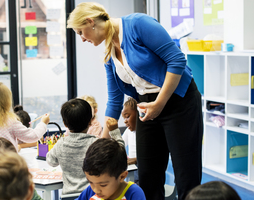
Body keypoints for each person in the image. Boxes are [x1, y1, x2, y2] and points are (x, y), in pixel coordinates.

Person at [67, 2, 203, 199]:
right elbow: (114, 100)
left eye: (81, 32)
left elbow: (177, 60)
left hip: (178, 101)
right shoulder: (108, 53)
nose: (81, 39)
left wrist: (160, 104)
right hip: (147, 107)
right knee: (147, 176)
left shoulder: (138, 24)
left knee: (185, 175)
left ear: (91, 21)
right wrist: (99, 144)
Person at [46, 98, 124, 195]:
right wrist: (115, 131)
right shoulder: (96, 144)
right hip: (94, 195)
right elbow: (120, 154)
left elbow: (51, 161)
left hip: (68, 196)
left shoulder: (60, 144)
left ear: (65, 123)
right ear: (90, 121)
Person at [0, 82, 50, 151]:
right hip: (6, 159)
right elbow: (32, 136)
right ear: (6, 101)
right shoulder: (9, 121)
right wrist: (43, 123)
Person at [77, 138, 146, 200]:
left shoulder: (134, 193)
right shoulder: (90, 191)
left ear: (122, 176)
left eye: (103, 185)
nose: (96, 190)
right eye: (90, 182)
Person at [121, 97, 138, 183]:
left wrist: (136, 159)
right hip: (133, 173)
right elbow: (119, 144)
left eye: (127, 117)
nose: (125, 121)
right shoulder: (128, 131)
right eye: (124, 118)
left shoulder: (144, 132)